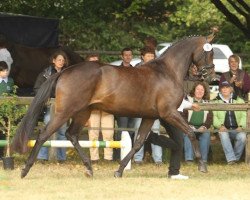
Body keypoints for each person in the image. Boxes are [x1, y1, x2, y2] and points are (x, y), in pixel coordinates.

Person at [146, 99, 200, 179]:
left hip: (171, 113)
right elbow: (176, 98)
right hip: (173, 114)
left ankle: (173, 172)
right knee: (179, 143)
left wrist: (190, 105)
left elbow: (179, 99)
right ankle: (174, 172)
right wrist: (190, 104)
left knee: (178, 143)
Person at [34, 50, 69, 163]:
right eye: (59, 60)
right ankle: (42, 157)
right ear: (54, 61)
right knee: (47, 129)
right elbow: (37, 89)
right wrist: (46, 98)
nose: (61, 62)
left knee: (62, 132)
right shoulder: (46, 73)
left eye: (63, 60)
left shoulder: (68, 73)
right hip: (49, 106)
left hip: (63, 107)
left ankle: (61, 158)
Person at [133, 46, 163, 165]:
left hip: (153, 106)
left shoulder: (158, 70)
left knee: (155, 131)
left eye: (152, 56)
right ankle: (137, 158)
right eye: (148, 56)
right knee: (138, 131)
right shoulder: (137, 69)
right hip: (139, 105)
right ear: (142, 57)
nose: (151, 58)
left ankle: (158, 159)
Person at [86, 54, 114, 162]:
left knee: (109, 133)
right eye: (92, 61)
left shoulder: (107, 77)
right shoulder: (86, 79)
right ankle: (94, 158)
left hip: (107, 109)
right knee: (93, 134)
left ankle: (108, 158)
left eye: (96, 61)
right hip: (93, 110)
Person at [213, 81, 247, 164]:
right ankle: (231, 160)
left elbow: (244, 115)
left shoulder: (239, 101)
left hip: (237, 128)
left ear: (231, 89)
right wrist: (220, 125)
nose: (225, 89)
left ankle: (235, 158)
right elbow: (213, 116)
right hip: (223, 128)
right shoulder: (215, 101)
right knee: (223, 134)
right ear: (220, 90)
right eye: (223, 88)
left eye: (227, 87)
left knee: (242, 136)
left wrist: (241, 126)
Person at [183, 81, 212, 167]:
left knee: (206, 134)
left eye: (202, 90)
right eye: (198, 89)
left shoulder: (207, 103)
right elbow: (182, 116)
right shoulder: (188, 101)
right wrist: (189, 126)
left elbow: (210, 118)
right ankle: (189, 159)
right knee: (188, 134)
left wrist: (204, 127)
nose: (200, 91)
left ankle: (203, 160)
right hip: (189, 127)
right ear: (194, 91)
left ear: (204, 92)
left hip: (201, 128)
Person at [113, 47, 135, 161]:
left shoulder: (135, 70)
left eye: (130, 55)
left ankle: (128, 156)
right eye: (126, 55)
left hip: (134, 105)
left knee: (131, 130)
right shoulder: (117, 70)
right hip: (121, 105)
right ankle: (117, 156)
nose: (128, 57)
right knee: (121, 130)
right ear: (122, 56)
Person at [0, 61, 14, 159]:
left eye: (7, 70)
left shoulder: (11, 81)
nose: (6, 72)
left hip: (6, 111)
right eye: (3, 71)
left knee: (4, 133)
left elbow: (13, 94)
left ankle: (2, 154)